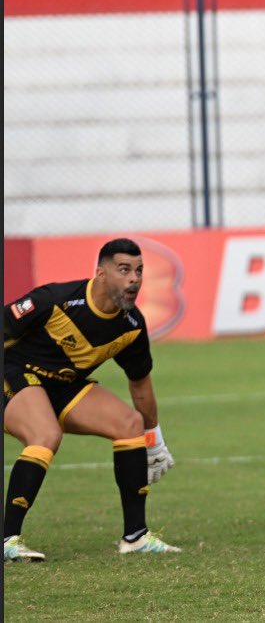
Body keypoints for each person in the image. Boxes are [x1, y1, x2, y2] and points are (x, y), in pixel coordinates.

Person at [4, 238, 179, 562]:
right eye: (124, 270)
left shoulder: (131, 326)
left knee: (129, 425)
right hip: (13, 372)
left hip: (62, 385)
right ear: (100, 273)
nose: (134, 279)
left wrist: (153, 438)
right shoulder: (55, 300)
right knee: (45, 435)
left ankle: (136, 537)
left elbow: (140, 384)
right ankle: (6, 539)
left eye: (139, 271)